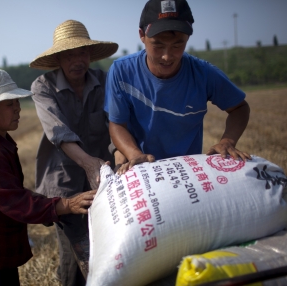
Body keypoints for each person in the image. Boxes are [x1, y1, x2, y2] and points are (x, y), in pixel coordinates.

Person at [0, 69, 97, 286]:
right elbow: (14, 201)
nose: (18, 108)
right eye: (10, 104)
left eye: (16, 101)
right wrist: (65, 205)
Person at [105, 0, 251, 174]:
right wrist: (135, 155)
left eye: (177, 45)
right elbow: (117, 124)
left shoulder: (203, 74)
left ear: (188, 38)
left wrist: (227, 141)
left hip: (186, 171)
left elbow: (239, 108)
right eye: (158, 45)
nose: (167, 56)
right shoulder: (122, 72)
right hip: (143, 168)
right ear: (142, 35)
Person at [29, 20, 118, 286]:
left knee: (103, 245)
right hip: (63, 183)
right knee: (75, 250)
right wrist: (89, 164)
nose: (78, 60)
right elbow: (58, 133)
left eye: (83, 53)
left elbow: (116, 122)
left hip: (103, 178)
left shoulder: (103, 81)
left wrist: (120, 158)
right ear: (58, 58)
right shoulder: (43, 87)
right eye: (70, 54)